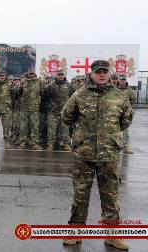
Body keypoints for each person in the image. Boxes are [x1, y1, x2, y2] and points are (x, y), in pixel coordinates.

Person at [61, 60, 132, 249]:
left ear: (109, 73)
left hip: (109, 154)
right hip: (84, 153)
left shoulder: (119, 96)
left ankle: (112, 235)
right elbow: (67, 116)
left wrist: (109, 136)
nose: (101, 74)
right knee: (81, 194)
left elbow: (126, 120)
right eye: (98, 72)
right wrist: (82, 135)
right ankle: (75, 231)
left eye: (104, 71)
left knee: (110, 196)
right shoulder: (80, 94)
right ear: (92, 74)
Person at [43, 70, 75, 151]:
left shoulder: (69, 86)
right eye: (59, 75)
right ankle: (50, 144)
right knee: (51, 129)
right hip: (53, 112)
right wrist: (50, 106)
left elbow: (72, 98)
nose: (60, 76)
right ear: (56, 75)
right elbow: (45, 97)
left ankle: (66, 144)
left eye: (62, 75)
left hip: (64, 112)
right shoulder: (50, 86)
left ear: (64, 76)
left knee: (65, 129)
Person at [18, 70, 43, 150]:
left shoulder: (39, 82)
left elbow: (43, 93)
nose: (31, 75)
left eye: (32, 74)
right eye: (30, 74)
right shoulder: (23, 82)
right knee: (23, 126)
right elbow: (19, 92)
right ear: (27, 74)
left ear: (35, 74)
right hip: (24, 108)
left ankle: (35, 142)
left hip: (34, 108)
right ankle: (22, 142)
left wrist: (38, 101)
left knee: (35, 126)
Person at [117, 75, 135, 154]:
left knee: (125, 130)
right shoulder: (114, 89)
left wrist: (128, 109)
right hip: (115, 112)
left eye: (124, 80)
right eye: (121, 80)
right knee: (114, 129)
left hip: (125, 114)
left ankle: (125, 147)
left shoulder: (129, 91)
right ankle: (115, 146)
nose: (123, 81)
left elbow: (132, 101)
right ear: (119, 80)